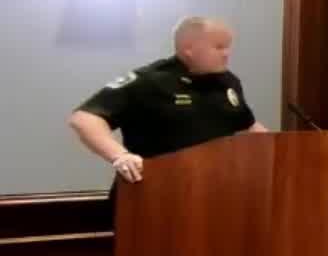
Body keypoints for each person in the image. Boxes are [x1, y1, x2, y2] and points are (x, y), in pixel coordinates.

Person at [68, 16, 268, 184]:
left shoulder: (228, 81)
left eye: (228, 47)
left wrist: (278, 149)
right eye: (219, 47)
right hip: (154, 192)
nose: (227, 54)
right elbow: (85, 118)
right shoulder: (150, 80)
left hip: (212, 191)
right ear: (189, 49)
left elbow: (247, 125)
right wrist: (120, 156)